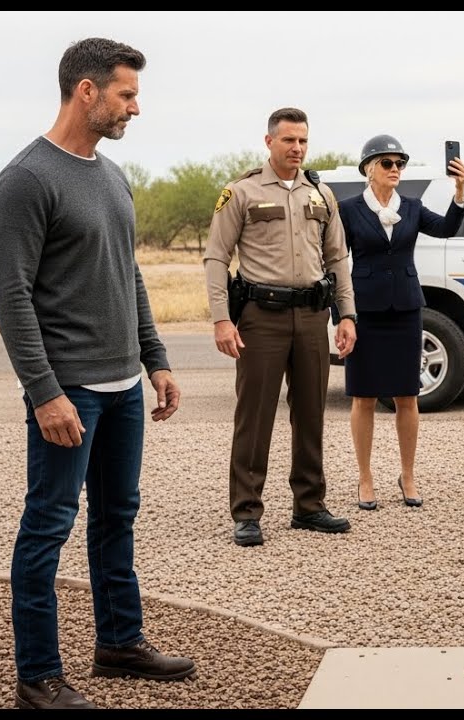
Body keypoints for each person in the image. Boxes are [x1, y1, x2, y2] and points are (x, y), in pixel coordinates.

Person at [0, 37, 194, 709]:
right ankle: (37, 675)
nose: (136, 106)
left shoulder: (111, 175)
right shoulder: (26, 179)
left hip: (122, 386)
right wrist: (44, 392)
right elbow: (10, 295)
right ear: (87, 91)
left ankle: (118, 642)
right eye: (126, 94)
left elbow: (125, 273)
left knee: (117, 516)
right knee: (48, 523)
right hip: (68, 389)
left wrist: (154, 358)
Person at [203, 107, 358, 546]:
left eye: (303, 140)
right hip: (261, 318)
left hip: (311, 316)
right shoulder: (241, 193)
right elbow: (217, 256)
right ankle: (247, 512)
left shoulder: (320, 195)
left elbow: (336, 259)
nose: (297, 148)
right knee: (255, 417)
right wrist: (220, 318)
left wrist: (346, 315)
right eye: (289, 140)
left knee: (311, 413)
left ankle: (309, 506)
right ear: (269, 141)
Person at [338, 134, 464, 509]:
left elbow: (446, 228)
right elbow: (334, 262)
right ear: (368, 169)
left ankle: (407, 475)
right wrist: (342, 315)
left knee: (406, 396)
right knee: (363, 397)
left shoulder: (412, 207)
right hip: (364, 312)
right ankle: (365, 478)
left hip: (407, 311)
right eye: (387, 163)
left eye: (400, 164)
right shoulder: (348, 210)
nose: (395, 170)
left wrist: (459, 192)